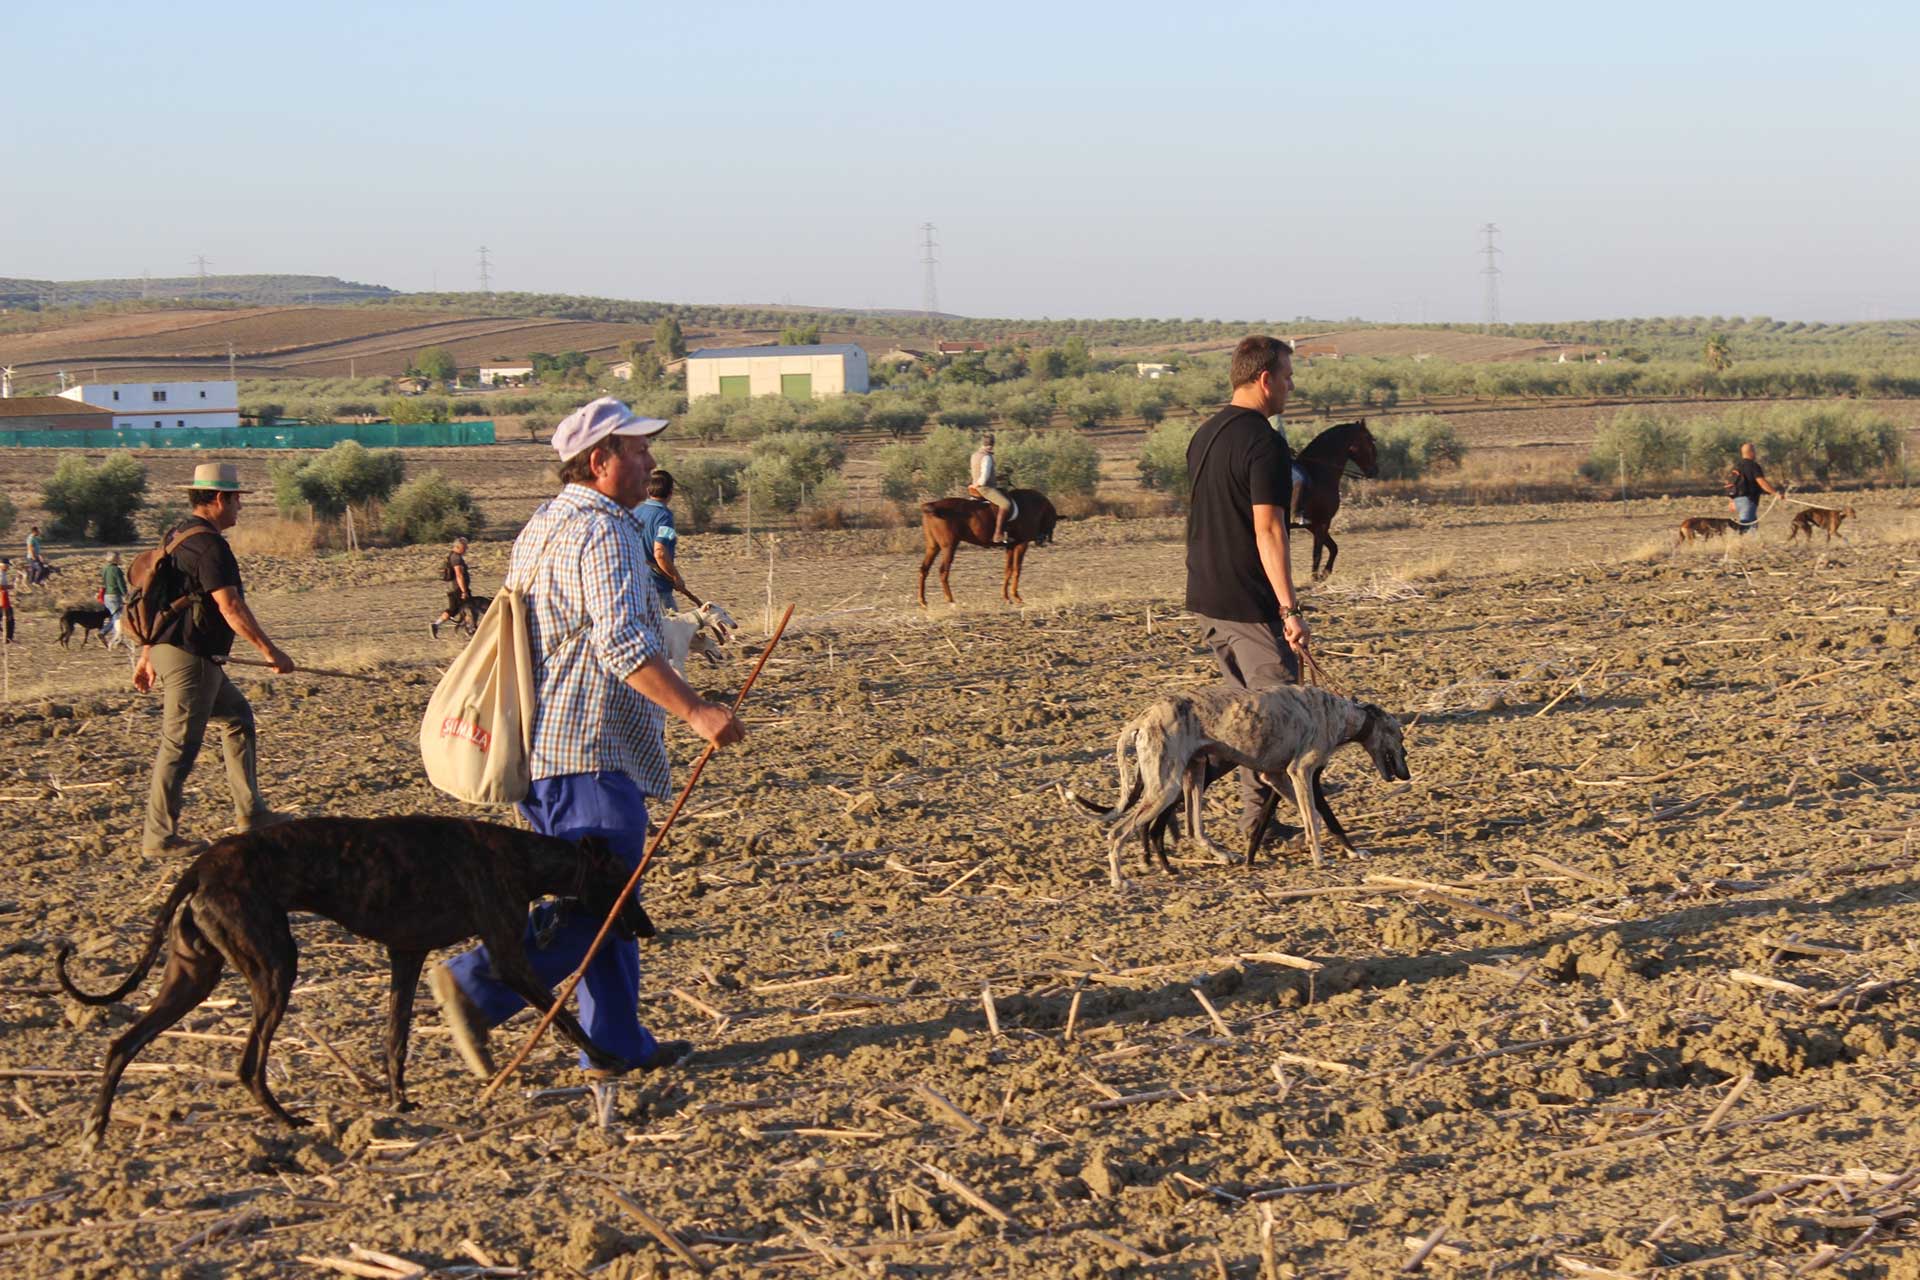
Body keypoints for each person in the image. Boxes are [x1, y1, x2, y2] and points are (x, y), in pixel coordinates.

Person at [429, 397, 746, 1081]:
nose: (651, 460)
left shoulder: (543, 524)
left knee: (595, 897)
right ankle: (475, 984)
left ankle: (614, 1046)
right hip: (589, 752)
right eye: (637, 450)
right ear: (600, 462)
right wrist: (696, 712)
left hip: (542, 751)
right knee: (605, 900)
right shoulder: (603, 532)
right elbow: (623, 641)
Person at [1185, 335, 1312, 844]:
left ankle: (1257, 823)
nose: (1289, 385)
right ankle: (1205, 797)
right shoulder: (1264, 442)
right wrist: (1289, 609)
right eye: (1286, 376)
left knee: (1245, 720)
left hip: (1206, 599)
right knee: (1279, 717)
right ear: (1264, 380)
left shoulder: (1205, 433)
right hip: (1248, 603)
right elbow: (1269, 530)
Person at [134, 463, 296, 855]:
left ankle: (252, 813)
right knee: (178, 745)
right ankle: (159, 837)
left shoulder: (177, 535)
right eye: (238, 499)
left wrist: (146, 654)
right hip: (191, 658)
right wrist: (270, 652)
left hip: (178, 651)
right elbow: (231, 606)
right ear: (220, 498)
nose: (240, 507)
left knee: (238, 717)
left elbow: (157, 599)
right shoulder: (210, 546)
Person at [634, 470, 701, 612]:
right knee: (674, 631)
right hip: (657, 587)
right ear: (671, 492)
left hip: (634, 586)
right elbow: (660, 553)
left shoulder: (636, 511)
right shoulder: (665, 518)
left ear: (648, 489)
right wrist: (676, 577)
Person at [1727, 441, 1784, 534]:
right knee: (1745, 526)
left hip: (1737, 501)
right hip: (1747, 501)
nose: (1756, 453)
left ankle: (1753, 546)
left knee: (1753, 527)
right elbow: (1762, 483)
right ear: (1751, 452)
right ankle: (1737, 546)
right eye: (1754, 451)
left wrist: (1731, 501)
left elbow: (1731, 484)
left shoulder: (1736, 467)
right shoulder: (1753, 466)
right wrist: (1776, 494)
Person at [969, 433, 1012, 546]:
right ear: (993, 444)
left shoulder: (975, 455)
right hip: (984, 488)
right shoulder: (987, 457)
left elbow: (978, 472)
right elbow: (984, 478)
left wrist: (999, 477)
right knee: (1005, 504)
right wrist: (978, 485)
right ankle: (998, 534)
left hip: (976, 485)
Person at [429, 536, 475, 638]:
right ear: (458, 547)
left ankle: (436, 625)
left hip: (452, 588)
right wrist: (464, 591)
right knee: (469, 607)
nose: (466, 549)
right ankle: (469, 629)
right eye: (465, 547)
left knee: (454, 610)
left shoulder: (451, 556)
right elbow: (459, 575)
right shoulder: (456, 558)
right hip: (457, 589)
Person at [101, 552, 129, 647]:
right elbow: (120, 583)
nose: (119, 559)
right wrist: (125, 594)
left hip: (106, 596)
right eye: (118, 557)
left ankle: (106, 633)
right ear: (115, 559)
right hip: (115, 596)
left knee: (114, 616)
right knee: (118, 618)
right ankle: (115, 639)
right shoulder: (116, 570)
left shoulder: (104, 569)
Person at [0, 557, 14, 645]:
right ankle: (8, 638)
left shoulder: (3, 573)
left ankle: (7, 637)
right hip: (1, 600)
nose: (8, 568)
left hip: (2, 599)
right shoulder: (1, 574)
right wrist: (10, 587)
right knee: (9, 618)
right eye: (7, 566)